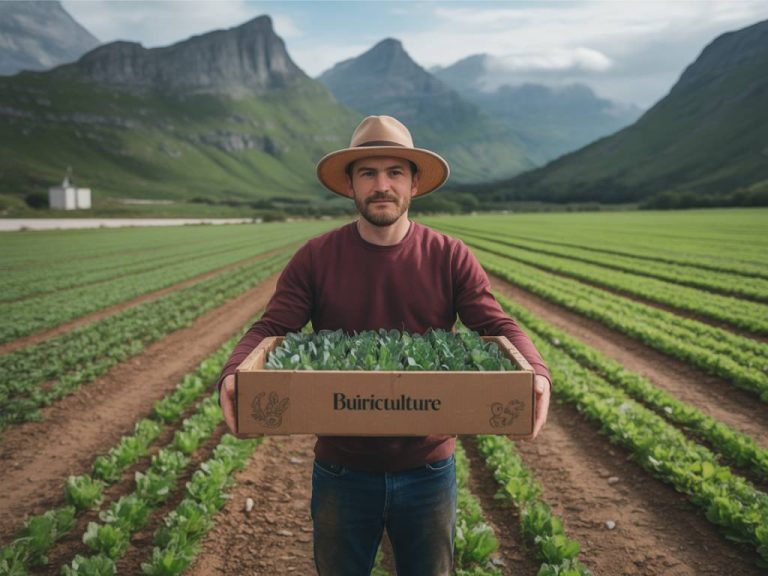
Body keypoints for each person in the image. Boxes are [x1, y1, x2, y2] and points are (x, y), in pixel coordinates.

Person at [216, 115, 552, 576]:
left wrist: (536, 374)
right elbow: (271, 327)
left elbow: (497, 325)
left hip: (429, 467)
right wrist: (233, 373)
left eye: (395, 172)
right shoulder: (315, 257)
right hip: (341, 469)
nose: (381, 185)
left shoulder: (449, 255)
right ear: (350, 185)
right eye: (367, 173)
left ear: (414, 184)